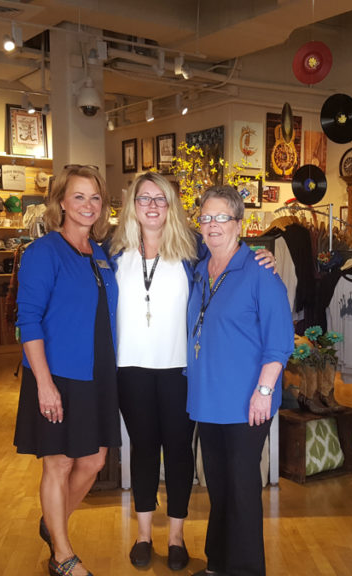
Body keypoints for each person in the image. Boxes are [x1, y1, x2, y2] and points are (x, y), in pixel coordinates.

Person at [109, 173, 278, 571]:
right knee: (144, 450)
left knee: (181, 454)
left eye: (161, 199)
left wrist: (259, 252)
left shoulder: (191, 252)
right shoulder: (111, 254)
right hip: (130, 368)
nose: (152, 205)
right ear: (132, 205)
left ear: (172, 207)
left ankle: (177, 538)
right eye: (144, 198)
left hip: (180, 372)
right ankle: (145, 534)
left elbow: (230, 247)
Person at [14, 165, 119, 576]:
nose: (88, 205)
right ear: (61, 201)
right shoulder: (44, 252)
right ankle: (62, 554)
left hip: (98, 374)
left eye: (95, 198)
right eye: (79, 197)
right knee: (57, 463)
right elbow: (29, 319)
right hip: (57, 375)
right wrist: (43, 384)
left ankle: (52, 523)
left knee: (93, 460)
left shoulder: (103, 253)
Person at [186, 185, 293, 576]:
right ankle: (218, 564)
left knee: (243, 488)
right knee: (218, 485)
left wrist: (264, 391)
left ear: (239, 223)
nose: (212, 226)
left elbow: (279, 342)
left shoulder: (260, 273)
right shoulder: (201, 269)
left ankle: (247, 569)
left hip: (247, 402)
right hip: (208, 399)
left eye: (222, 218)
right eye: (206, 218)